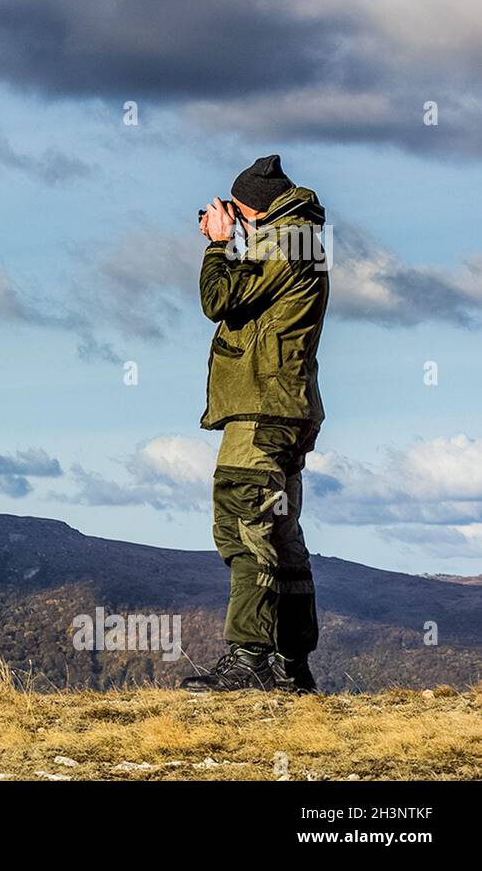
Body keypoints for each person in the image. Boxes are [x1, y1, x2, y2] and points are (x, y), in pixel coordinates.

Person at [180, 155, 329, 693]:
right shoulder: (301, 239)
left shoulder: (287, 239)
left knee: (244, 527)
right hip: (288, 406)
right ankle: (291, 666)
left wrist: (220, 244)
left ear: (254, 207)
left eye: (239, 209)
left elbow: (221, 300)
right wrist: (244, 238)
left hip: (263, 408)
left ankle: (250, 660)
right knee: (282, 537)